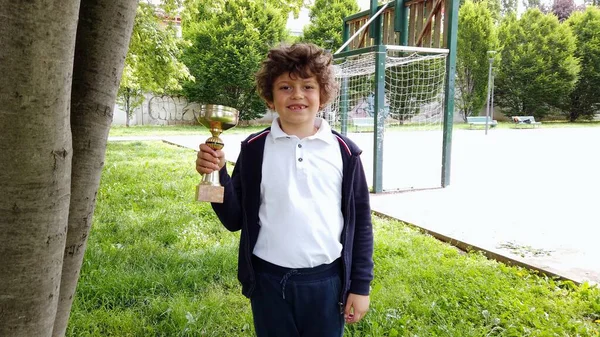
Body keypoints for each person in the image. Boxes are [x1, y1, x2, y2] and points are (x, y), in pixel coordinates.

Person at [195, 43, 374, 337]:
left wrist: (360, 286)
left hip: (326, 283)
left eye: (308, 86)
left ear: (323, 94)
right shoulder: (254, 150)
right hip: (267, 281)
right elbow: (233, 220)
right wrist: (217, 174)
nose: (297, 95)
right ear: (270, 96)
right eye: (285, 87)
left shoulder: (344, 152)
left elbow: (362, 225)